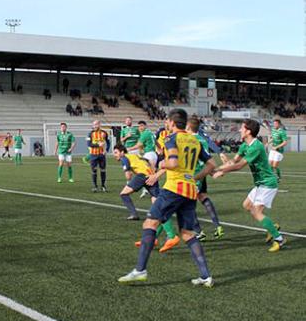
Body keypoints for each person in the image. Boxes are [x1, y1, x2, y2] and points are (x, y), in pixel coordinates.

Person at [118, 108, 217, 288]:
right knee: (187, 234)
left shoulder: (171, 138)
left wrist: (162, 163)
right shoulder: (194, 140)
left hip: (173, 188)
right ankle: (205, 276)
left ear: (171, 122)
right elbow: (212, 164)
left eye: (167, 122)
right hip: (189, 190)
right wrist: (195, 177)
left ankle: (140, 270)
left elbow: (173, 163)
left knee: (150, 223)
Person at [213, 119, 286, 252]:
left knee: (257, 212)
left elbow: (240, 165)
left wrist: (222, 171)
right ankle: (272, 227)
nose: (240, 130)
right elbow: (234, 161)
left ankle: (279, 239)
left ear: (248, 131)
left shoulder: (256, 146)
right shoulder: (245, 145)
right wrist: (216, 169)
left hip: (268, 183)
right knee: (247, 205)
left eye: (242, 128)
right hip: (260, 184)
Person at [186, 117, 224, 240]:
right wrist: (210, 172)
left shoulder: (191, 140)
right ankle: (218, 226)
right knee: (203, 197)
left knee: (187, 204)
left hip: (195, 174)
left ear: (188, 127)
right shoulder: (202, 139)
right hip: (203, 172)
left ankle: (198, 231)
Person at [86, 120, 110, 192]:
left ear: (99, 125)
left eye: (97, 124)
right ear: (93, 125)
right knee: (94, 171)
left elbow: (108, 142)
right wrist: (97, 145)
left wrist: (107, 150)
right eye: (94, 124)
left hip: (101, 155)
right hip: (93, 155)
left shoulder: (104, 133)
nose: (95, 126)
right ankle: (95, 186)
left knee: (103, 170)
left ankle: (103, 186)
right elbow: (89, 144)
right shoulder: (90, 133)